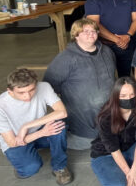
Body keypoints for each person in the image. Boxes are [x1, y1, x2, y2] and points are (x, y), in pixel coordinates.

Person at [43, 18, 116, 150]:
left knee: (113, 136)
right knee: (88, 143)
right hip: (83, 117)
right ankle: (47, 136)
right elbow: (47, 87)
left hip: (107, 113)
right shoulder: (66, 58)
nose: (90, 34)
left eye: (93, 31)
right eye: (85, 31)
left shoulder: (107, 52)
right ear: (76, 35)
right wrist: (61, 108)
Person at [0, 69, 72, 185]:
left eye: (31, 90)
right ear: (10, 91)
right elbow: (12, 142)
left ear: (36, 85)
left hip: (37, 131)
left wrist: (26, 126)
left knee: (58, 125)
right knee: (31, 168)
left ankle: (60, 167)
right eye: (21, 93)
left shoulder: (43, 87)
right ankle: (23, 165)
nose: (27, 96)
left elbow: (62, 113)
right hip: (16, 140)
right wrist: (41, 133)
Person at [85, 0, 136, 77]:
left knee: (125, 75)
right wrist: (116, 40)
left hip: (126, 43)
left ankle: (124, 94)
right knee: (105, 76)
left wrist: (128, 36)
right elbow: (93, 24)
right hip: (104, 45)